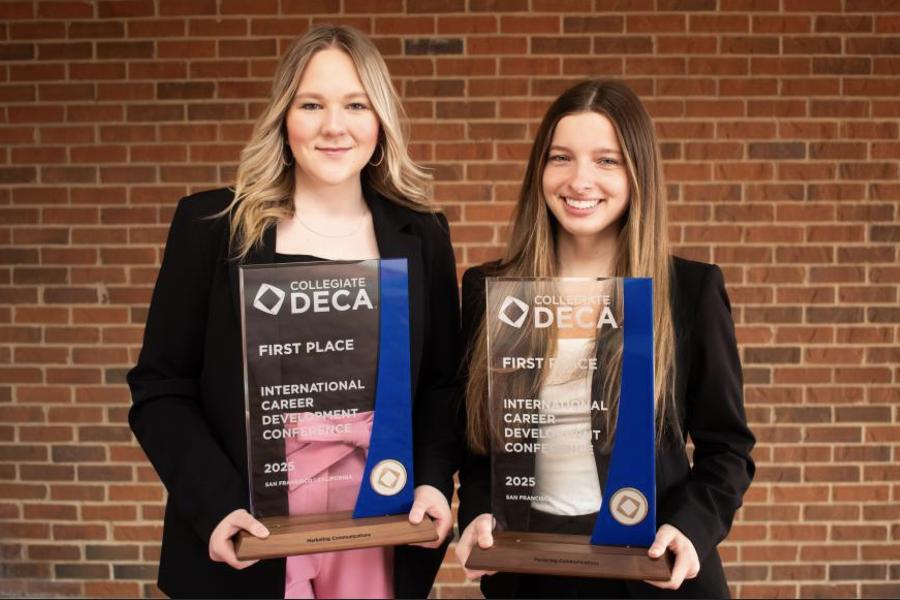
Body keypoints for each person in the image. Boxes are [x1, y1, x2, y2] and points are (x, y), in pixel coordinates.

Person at [127, 25, 461, 599]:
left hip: (378, 529)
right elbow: (162, 387)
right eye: (312, 104)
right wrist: (216, 504)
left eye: (355, 104)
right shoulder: (212, 229)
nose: (335, 125)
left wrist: (432, 482)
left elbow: (439, 386)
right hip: (248, 536)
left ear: (379, 120)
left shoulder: (421, 235)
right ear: (285, 117)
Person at [453, 80, 755, 598]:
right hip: (532, 571)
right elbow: (483, 443)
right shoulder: (490, 290)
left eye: (607, 161)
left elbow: (728, 448)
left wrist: (691, 528)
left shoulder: (688, 292)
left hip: (652, 572)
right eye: (561, 157)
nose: (580, 179)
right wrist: (479, 511)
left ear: (638, 173)